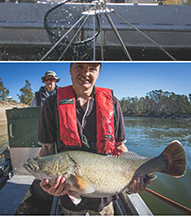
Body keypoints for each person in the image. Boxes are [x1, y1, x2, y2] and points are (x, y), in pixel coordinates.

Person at [38, 63, 147, 215]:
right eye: (80, 67)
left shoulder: (113, 102)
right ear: (70, 69)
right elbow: (47, 149)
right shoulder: (51, 104)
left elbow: (120, 147)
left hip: (105, 201)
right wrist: (47, 181)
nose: (85, 73)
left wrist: (137, 177)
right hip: (68, 198)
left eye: (92, 69)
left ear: (99, 71)